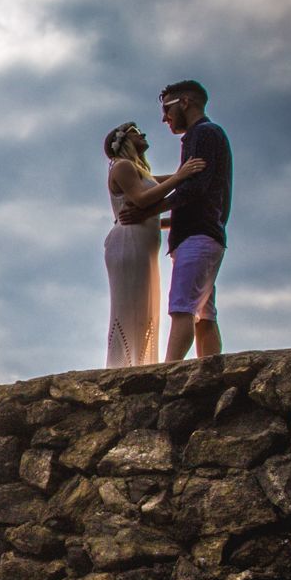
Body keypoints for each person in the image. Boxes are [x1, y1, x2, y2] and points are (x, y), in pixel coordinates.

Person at [102, 122, 204, 367]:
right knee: (129, 306)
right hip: (129, 244)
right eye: (137, 132)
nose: (144, 134)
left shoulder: (140, 171)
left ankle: (140, 363)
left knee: (146, 306)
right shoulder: (122, 166)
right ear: (124, 140)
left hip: (144, 245)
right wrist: (180, 175)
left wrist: (188, 177)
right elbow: (142, 199)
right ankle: (122, 365)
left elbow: (163, 192)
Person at [159, 80, 232, 359]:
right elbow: (199, 193)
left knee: (182, 309)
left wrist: (148, 210)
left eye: (167, 108)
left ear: (185, 102)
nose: (164, 117)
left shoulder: (202, 134)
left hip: (197, 238)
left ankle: (167, 374)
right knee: (205, 313)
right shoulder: (211, 134)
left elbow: (194, 188)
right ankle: (210, 371)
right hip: (208, 234)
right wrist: (160, 223)